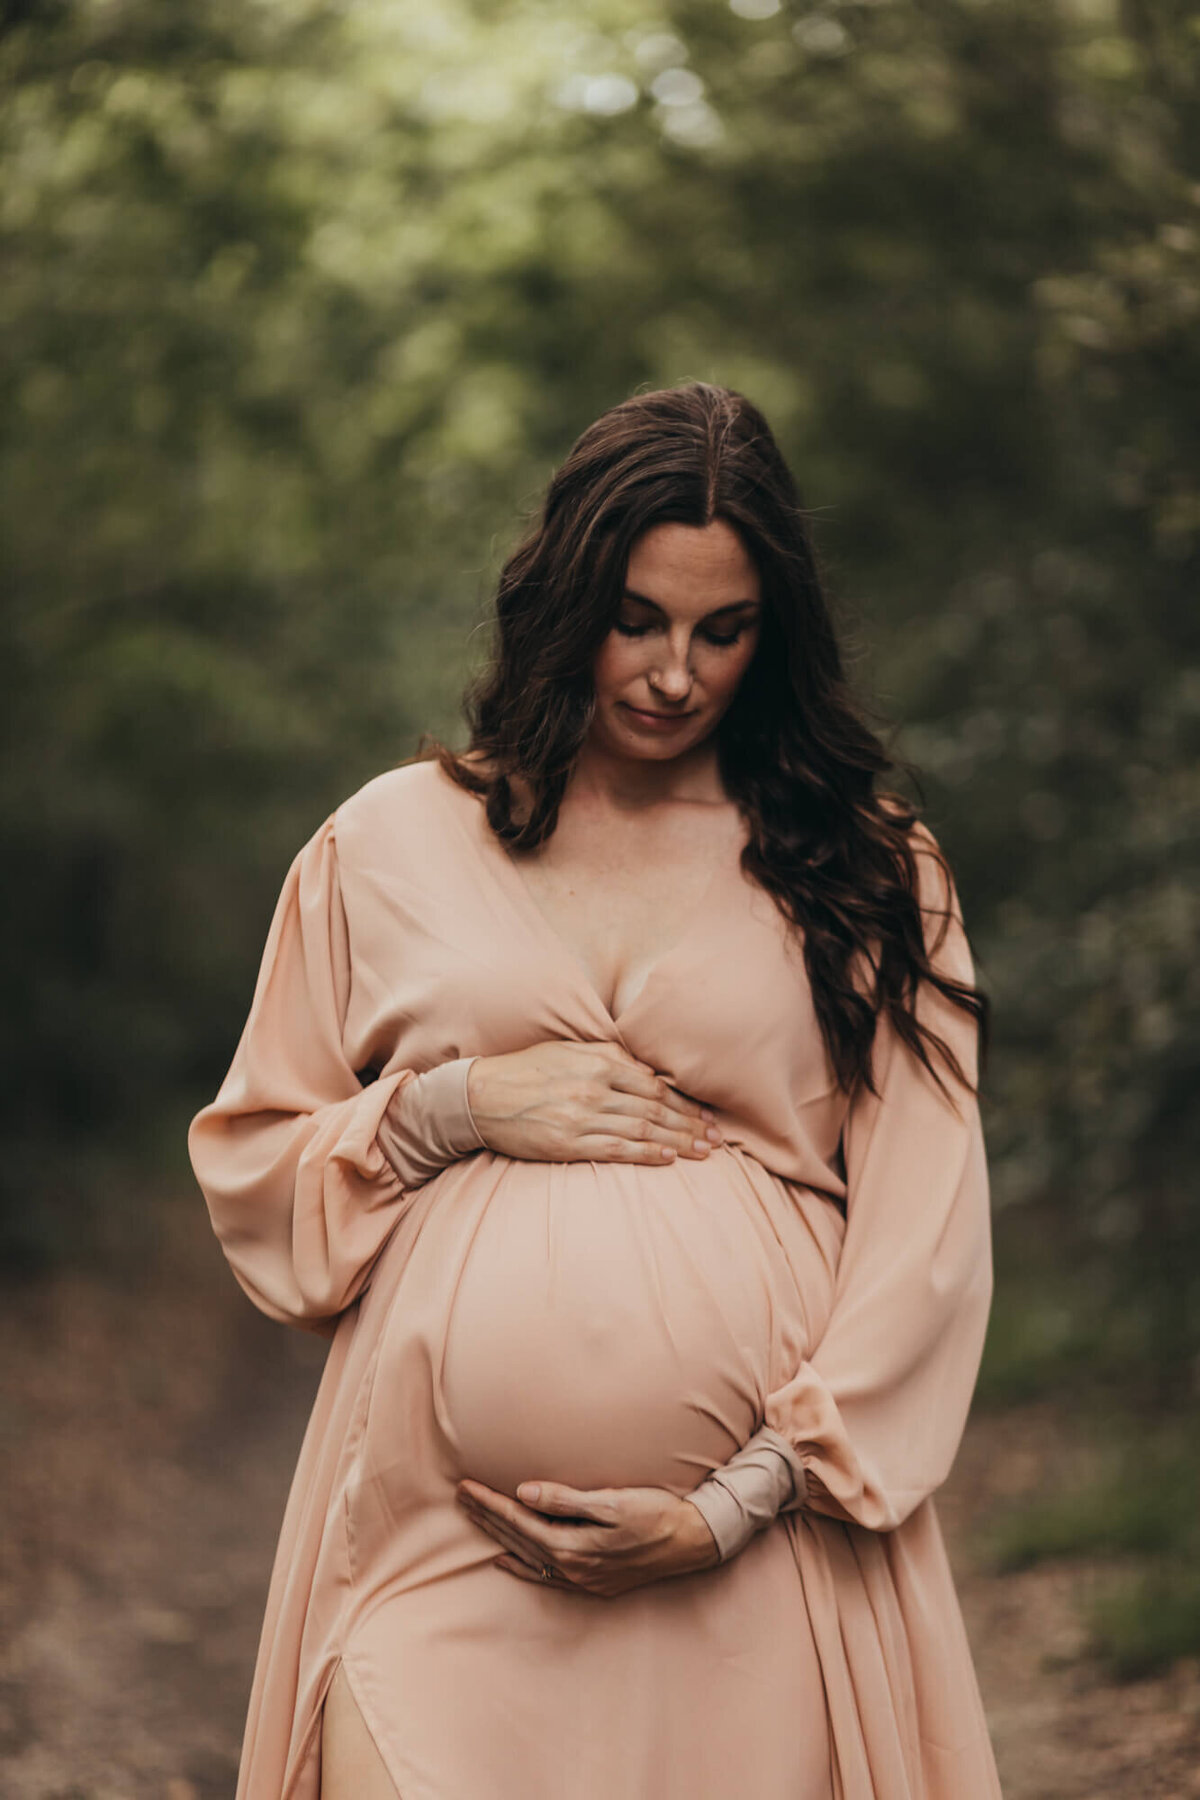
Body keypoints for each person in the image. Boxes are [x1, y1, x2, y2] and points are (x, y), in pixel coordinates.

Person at [188, 381, 1002, 1800]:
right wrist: (456, 1108)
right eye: (638, 617)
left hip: (764, 1558)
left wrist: (734, 1504)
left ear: (774, 634)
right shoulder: (391, 842)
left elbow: (927, 1238)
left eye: (722, 630)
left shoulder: (866, 868)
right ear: (563, 597)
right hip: (439, 1536)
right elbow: (257, 1168)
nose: (675, 673)